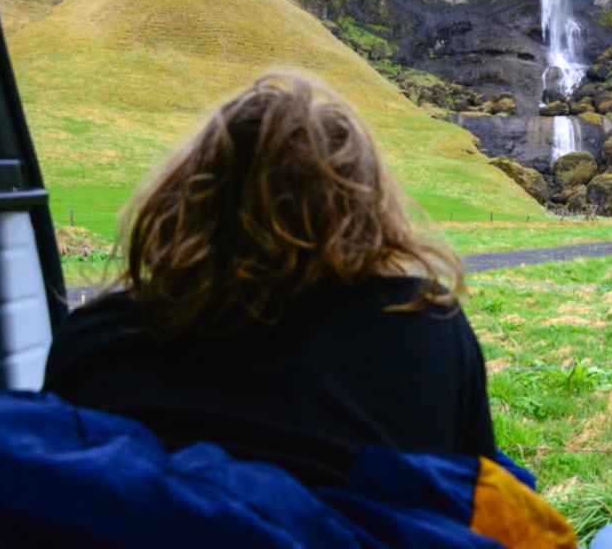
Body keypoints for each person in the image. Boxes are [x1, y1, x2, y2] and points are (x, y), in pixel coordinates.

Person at [42, 68, 496, 489]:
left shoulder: (95, 339)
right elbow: (477, 502)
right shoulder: (424, 325)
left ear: (189, 194)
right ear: (366, 205)